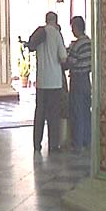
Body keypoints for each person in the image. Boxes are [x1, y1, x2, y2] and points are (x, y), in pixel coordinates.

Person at [33, 12, 68, 152]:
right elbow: (63, 57)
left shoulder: (40, 34)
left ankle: (37, 143)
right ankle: (53, 144)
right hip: (54, 81)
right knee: (53, 114)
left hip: (41, 81)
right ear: (55, 21)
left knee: (40, 112)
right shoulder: (56, 34)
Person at [66, 16, 92, 151]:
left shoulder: (77, 45)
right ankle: (88, 140)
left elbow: (70, 62)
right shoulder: (89, 43)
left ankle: (78, 143)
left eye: (72, 28)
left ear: (76, 28)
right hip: (87, 79)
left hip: (77, 79)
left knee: (77, 111)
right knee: (87, 110)